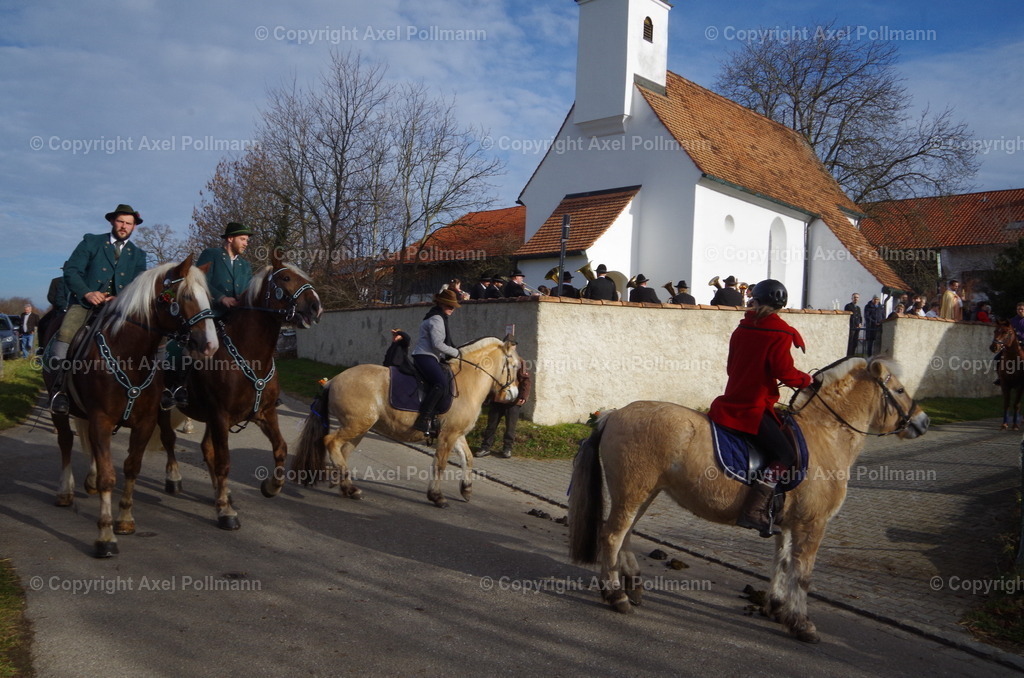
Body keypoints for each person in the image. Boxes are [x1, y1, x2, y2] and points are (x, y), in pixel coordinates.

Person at [708, 279, 813, 538]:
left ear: (756, 300)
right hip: (753, 407)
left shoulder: (741, 329)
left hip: (730, 401)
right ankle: (754, 509)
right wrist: (807, 380)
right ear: (780, 306)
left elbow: (732, 368)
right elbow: (784, 372)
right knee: (786, 454)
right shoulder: (780, 333)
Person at [49, 204, 148, 414]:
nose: (124, 226)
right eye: (121, 221)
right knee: (66, 333)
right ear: (112, 221)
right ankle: (60, 391)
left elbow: (139, 282)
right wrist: (87, 292)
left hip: (119, 308)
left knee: (150, 337)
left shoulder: (138, 254)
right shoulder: (91, 242)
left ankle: (154, 390)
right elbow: (72, 271)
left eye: (128, 224)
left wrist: (120, 298)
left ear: (134, 227)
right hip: (86, 304)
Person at [411, 288, 462, 433]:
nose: (452, 309)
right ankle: (423, 418)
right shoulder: (436, 319)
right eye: (449, 306)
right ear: (441, 304)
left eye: (453, 307)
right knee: (440, 384)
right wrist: (457, 353)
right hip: (425, 355)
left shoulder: (438, 316)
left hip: (429, 356)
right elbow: (438, 344)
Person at [474, 361, 531, 459]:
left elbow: (525, 380)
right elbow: (488, 380)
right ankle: (485, 447)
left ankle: (507, 449)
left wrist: (523, 396)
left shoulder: (519, 362)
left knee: (510, 428)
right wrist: (486, 396)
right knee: (491, 426)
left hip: (513, 402)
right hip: (497, 400)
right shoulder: (496, 360)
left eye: (513, 345)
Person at [197, 222, 253, 317]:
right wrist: (221, 298)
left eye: (247, 240)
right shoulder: (211, 254)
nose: (246, 244)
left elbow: (250, 289)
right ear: (230, 238)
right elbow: (199, 281)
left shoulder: (245, 265)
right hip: (212, 315)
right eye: (242, 239)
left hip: (238, 317)